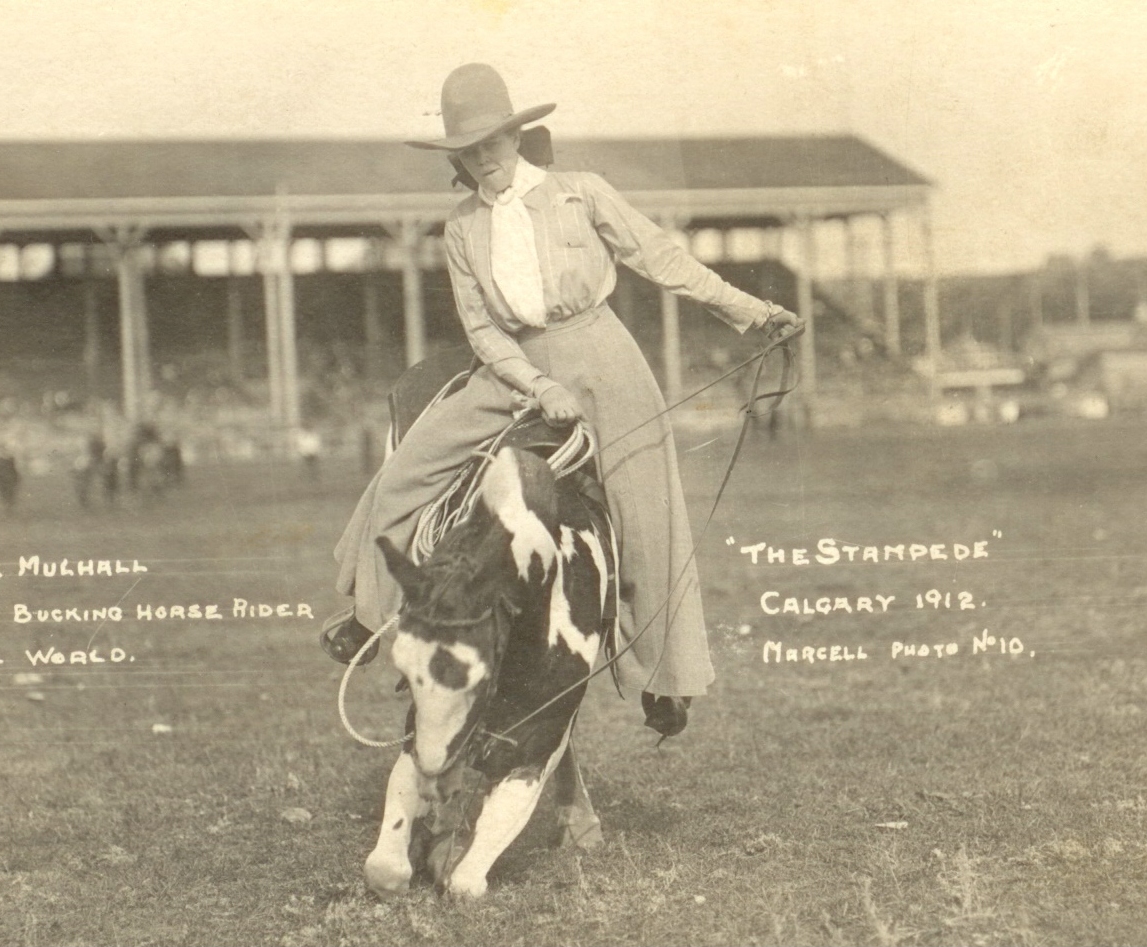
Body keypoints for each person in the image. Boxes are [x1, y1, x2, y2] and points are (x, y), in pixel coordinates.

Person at [325, 64, 801, 736]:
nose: (482, 159)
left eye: (491, 142)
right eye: (467, 150)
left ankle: (665, 682)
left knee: (645, 511)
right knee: (403, 471)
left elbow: (664, 260)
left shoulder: (582, 193)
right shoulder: (461, 229)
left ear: (516, 137)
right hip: (512, 370)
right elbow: (482, 327)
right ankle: (371, 617)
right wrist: (537, 384)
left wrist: (754, 311)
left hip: (603, 357)